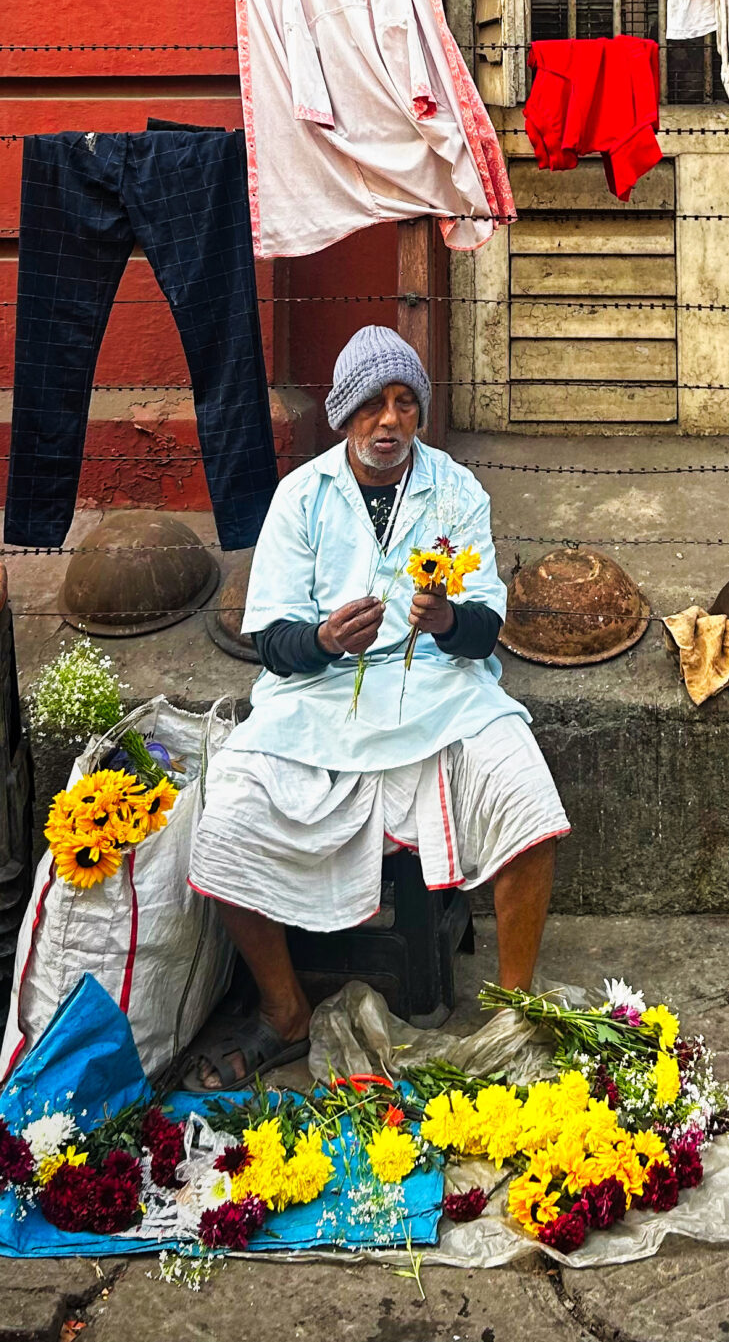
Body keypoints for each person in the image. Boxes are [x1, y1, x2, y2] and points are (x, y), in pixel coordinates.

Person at [188, 325, 568, 1084]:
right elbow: (272, 641)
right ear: (341, 415)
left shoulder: (455, 488)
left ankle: (515, 1016)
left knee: (527, 792)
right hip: (319, 700)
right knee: (223, 820)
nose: (388, 421)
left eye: (403, 403)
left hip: (438, 694)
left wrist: (447, 621)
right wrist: (325, 639)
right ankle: (285, 1010)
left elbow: (487, 625)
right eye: (369, 404)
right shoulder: (302, 496)